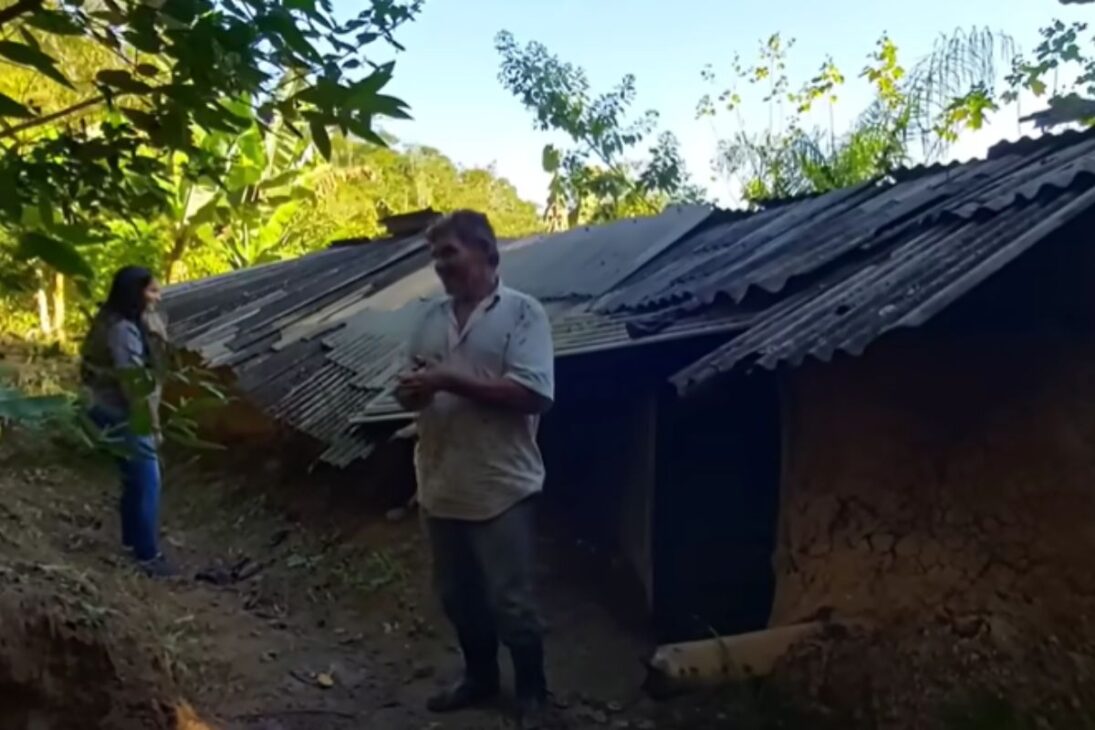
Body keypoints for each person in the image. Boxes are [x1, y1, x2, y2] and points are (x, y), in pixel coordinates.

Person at [396, 210, 555, 728]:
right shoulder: (426, 318)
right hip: (440, 484)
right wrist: (413, 393)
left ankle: (534, 693)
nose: (440, 265)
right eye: (435, 256)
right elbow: (417, 386)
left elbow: (535, 394)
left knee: (512, 602)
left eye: (450, 253)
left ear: (486, 252)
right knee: (459, 598)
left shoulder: (524, 314)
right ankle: (480, 678)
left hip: (501, 486)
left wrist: (446, 380)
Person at [80, 266, 173, 577]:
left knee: (134, 480)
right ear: (135, 294)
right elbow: (134, 384)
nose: (157, 297)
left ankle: (132, 543)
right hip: (121, 413)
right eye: (152, 291)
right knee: (148, 481)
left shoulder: (112, 321)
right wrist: (152, 426)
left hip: (104, 407)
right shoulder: (122, 330)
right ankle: (147, 555)